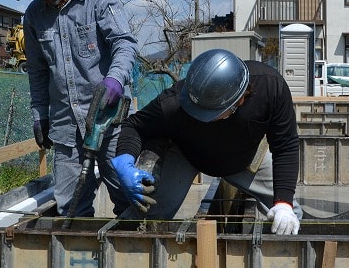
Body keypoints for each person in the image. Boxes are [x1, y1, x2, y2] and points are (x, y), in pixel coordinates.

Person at [111, 48, 302, 235]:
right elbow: (134, 126)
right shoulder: (175, 102)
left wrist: (284, 203)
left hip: (245, 156)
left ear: (239, 101)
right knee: (147, 218)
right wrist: (124, 161)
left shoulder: (271, 87)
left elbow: (285, 146)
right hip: (188, 154)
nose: (202, 118)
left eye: (210, 114)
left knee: (289, 218)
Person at [15, 0, 138, 218]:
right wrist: (40, 114)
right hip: (65, 126)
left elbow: (125, 44)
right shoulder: (34, 16)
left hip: (109, 120)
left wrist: (115, 80)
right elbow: (37, 70)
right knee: (70, 207)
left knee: (127, 197)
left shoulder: (99, 2)